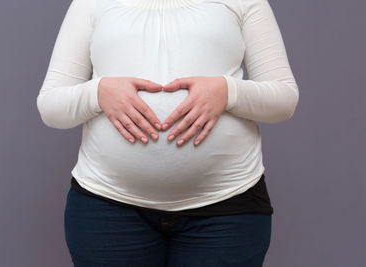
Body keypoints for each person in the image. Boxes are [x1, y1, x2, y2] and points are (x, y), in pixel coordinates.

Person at [36, 0, 299, 266]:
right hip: (109, 208)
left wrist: (228, 91)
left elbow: (285, 99)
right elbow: (50, 106)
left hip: (226, 210)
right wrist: (98, 92)